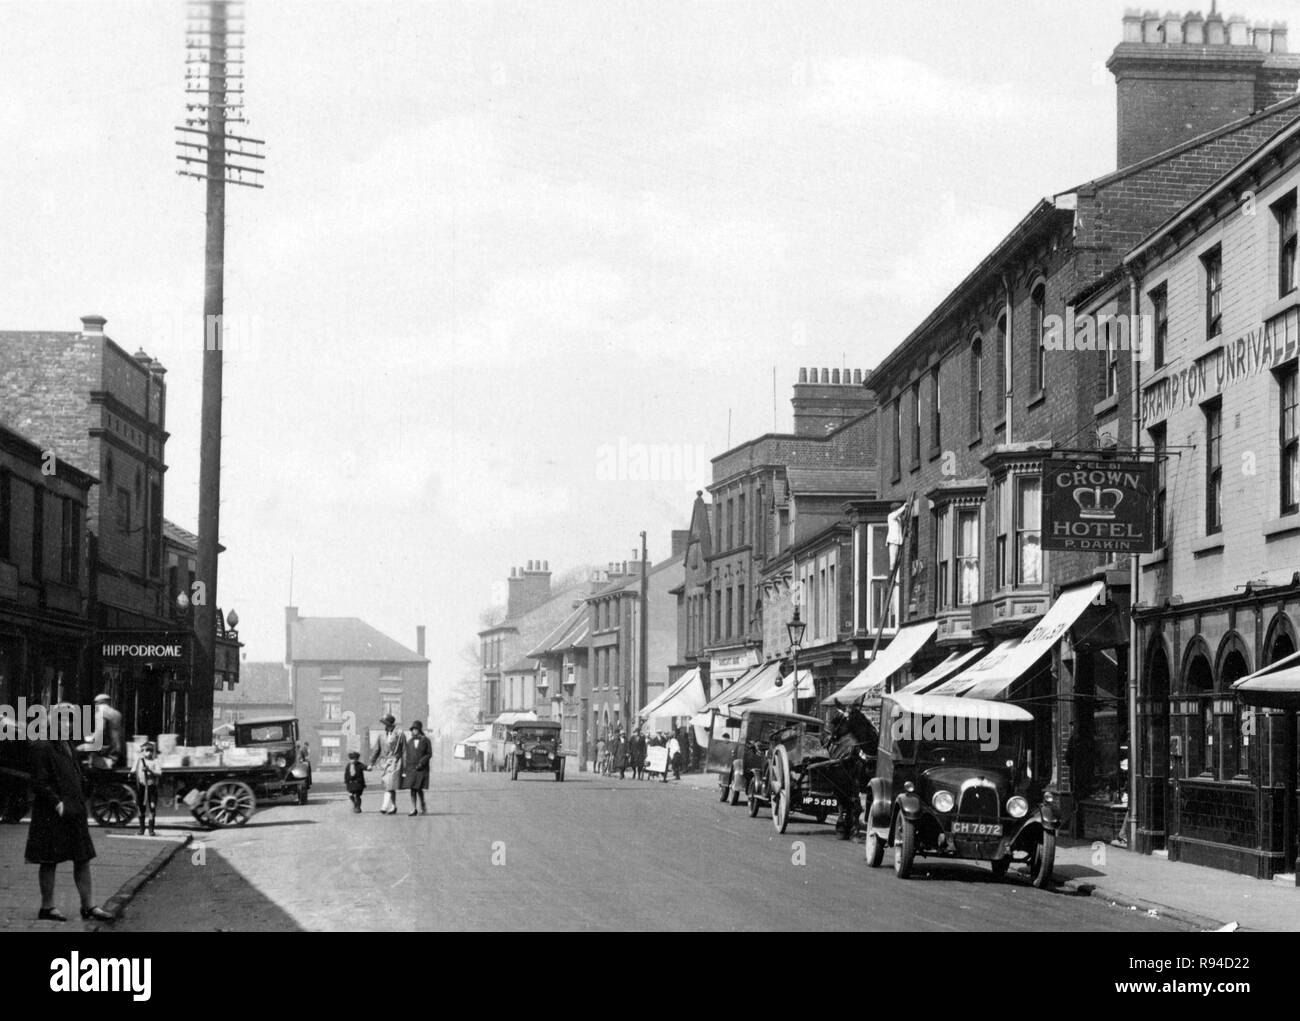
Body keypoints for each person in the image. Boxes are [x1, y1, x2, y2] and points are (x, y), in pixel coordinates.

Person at [26, 716, 113, 922]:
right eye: (64, 721)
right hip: (52, 812)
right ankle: (47, 907)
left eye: (70, 722)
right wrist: (57, 802)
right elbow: (39, 781)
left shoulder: (67, 744)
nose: (69, 725)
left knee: (82, 857)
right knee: (49, 859)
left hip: (74, 809)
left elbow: (75, 774)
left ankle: (88, 906)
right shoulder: (42, 746)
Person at [369, 715, 406, 815]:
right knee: (389, 785)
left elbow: (404, 751)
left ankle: (384, 806)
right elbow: (376, 750)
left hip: (395, 762)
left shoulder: (399, 734)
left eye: (386, 723)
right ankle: (393, 806)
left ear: (391, 724)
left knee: (389, 784)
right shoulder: (381, 735)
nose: (385, 725)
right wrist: (371, 763)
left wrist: (405, 767)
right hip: (385, 763)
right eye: (384, 724)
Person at [78, 693, 123, 768]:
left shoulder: (100, 711)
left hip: (106, 753)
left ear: (97, 703)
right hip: (116, 753)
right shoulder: (117, 714)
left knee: (76, 750)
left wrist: (89, 740)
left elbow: (100, 731)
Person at [132, 741, 163, 836]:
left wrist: (149, 770)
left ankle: (151, 830)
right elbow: (133, 771)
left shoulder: (155, 761)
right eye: (146, 751)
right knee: (141, 808)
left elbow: (159, 773)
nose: (149, 753)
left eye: (151, 751)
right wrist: (131, 774)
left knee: (152, 808)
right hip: (141, 787)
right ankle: (141, 829)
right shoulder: (139, 761)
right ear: (142, 751)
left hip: (151, 788)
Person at [403, 721, 433, 816]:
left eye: (416, 729)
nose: (414, 731)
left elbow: (429, 754)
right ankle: (414, 808)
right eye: (413, 729)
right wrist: (405, 769)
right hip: (411, 768)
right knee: (412, 788)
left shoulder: (425, 740)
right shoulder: (409, 742)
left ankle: (423, 805)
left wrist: (421, 763)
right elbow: (407, 756)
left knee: (419, 788)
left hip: (421, 768)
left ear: (419, 730)